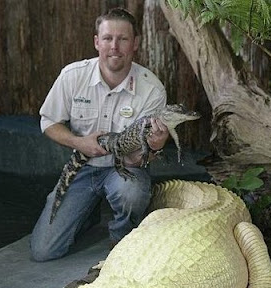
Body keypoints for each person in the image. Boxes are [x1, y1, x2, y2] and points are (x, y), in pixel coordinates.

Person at [30, 7, 170, 262]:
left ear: (135, 43)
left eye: (123, 39)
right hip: (83, 165)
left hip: (124, 168)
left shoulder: (152, 90)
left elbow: (138, 159)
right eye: (107, 38)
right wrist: (78, 142)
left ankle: (121, 240)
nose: (114, 46)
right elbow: (49, 121)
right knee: (43, 251)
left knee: (131, 192)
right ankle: (87, 211)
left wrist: (155, 146)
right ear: (97, 42)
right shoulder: (73, 76)